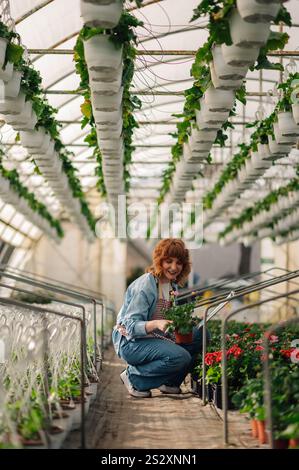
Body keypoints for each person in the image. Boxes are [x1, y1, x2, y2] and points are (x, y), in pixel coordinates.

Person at [112, 238, 209, 398]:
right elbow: (129, 325)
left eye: (179, 263)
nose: (174, 267)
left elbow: (168, 319)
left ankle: (170, 382)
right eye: (168, 261)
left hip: (154, 338)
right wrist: (156, 323)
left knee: (200, 334)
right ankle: (134, 377)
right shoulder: (146, 285)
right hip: (130, 342)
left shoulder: (171, 285)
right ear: (159, 261)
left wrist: (181, 323)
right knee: (180, 356)